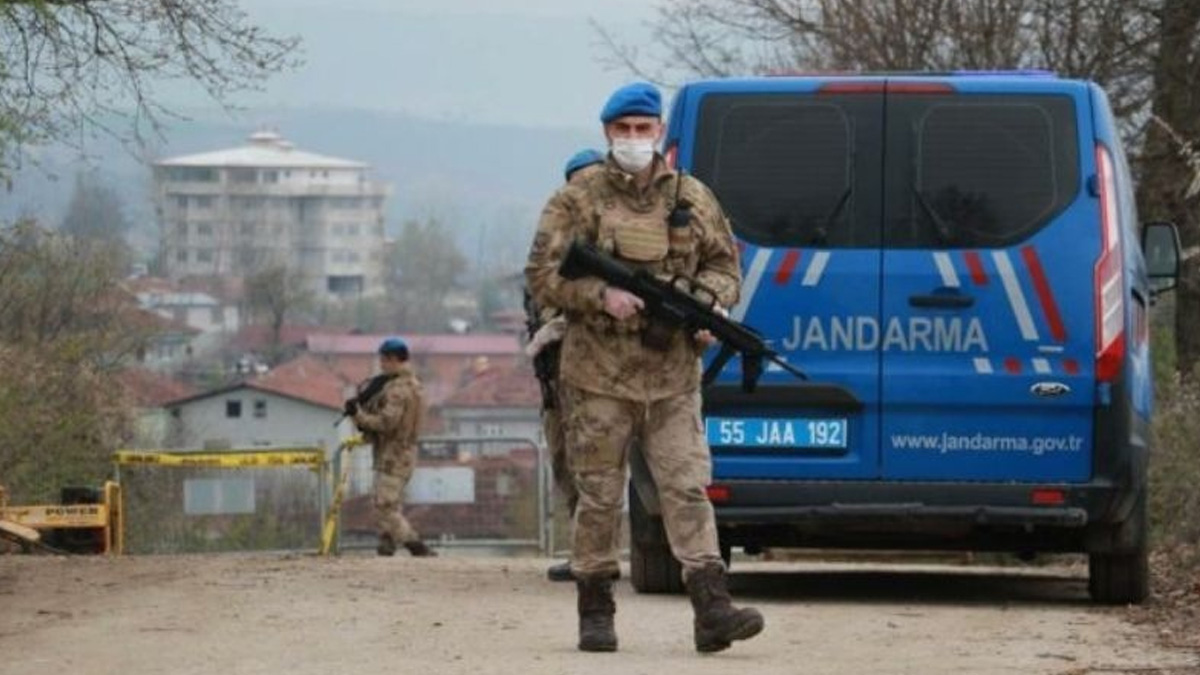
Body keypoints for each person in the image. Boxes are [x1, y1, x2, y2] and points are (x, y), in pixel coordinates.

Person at [524, 82, 764, 653]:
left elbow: (726, 267)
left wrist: (707, 304)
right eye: (623, 129)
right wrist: (598, 296)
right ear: (608, 133)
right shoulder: (577, 198)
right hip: (598, 377)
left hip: (672, 378)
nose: (634, 139)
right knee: (600, 494)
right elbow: (542, 275)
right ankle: (596, 609)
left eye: (643, 128)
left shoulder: (693, 196)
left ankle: (713, 608)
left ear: (659, 131)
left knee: (686, 489)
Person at [528, 147, 607, 583]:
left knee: (597, 466)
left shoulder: (616, 237)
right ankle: (583, 552)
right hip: (557, 379)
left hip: (601, 372)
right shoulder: (555, 239)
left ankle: (597, 556)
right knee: (565, 463)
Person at [347, 337, 436, 557]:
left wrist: (358, 416)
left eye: (384, 360)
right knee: (390, 502)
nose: (382, 365)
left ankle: (414, 544)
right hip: (402, 452)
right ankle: (386, 543)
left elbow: (386, 423)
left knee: (384, 504)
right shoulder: (414, 384)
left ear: (394, 359)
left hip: (394, 453)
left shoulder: (398, 389)